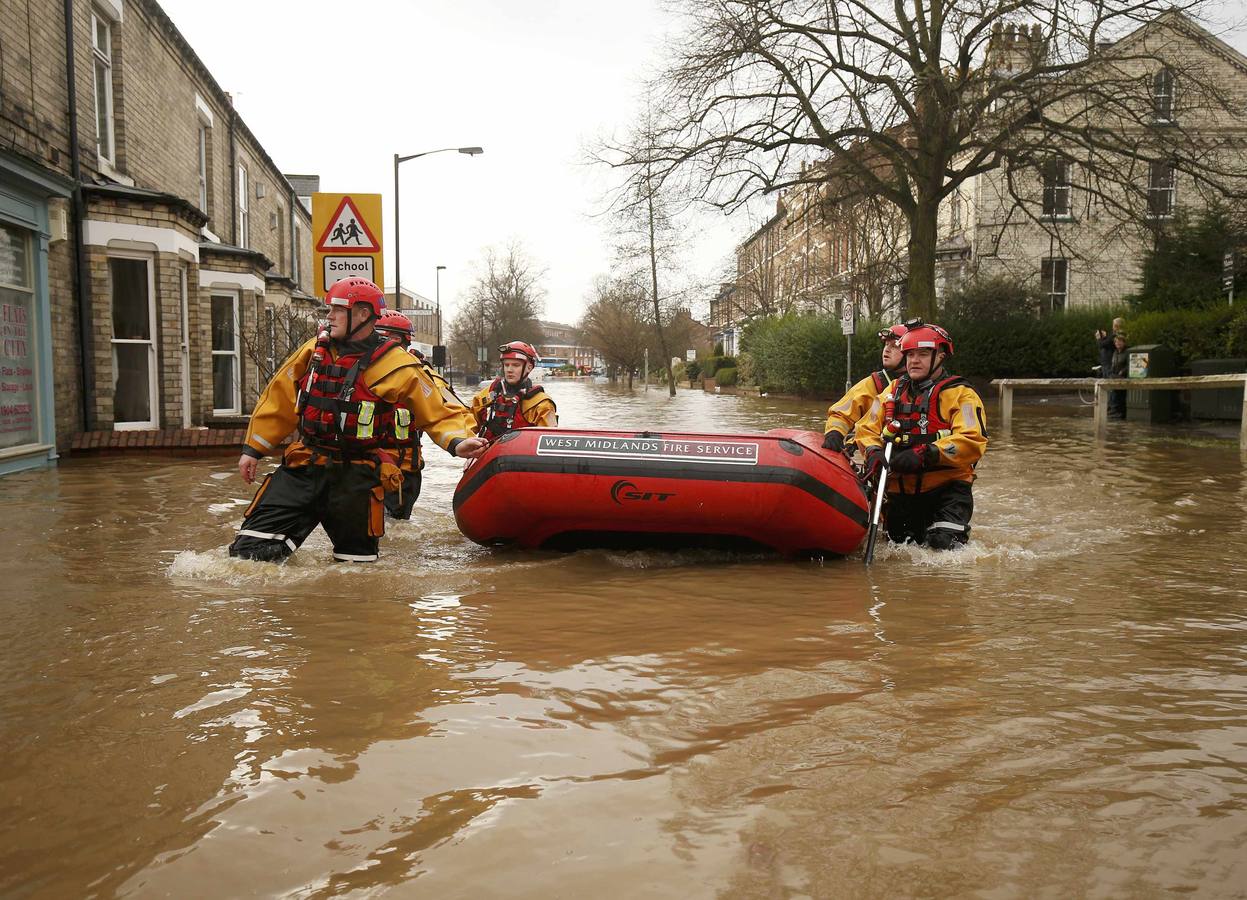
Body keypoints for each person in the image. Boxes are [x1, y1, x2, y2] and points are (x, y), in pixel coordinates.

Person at [229, 278, 487, 563]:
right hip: (304, 466)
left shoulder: (396, 364)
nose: (329, 316)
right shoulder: (315, 350)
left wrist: (459, 442)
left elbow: (439, 407)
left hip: (356, 478)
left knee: (355, 569)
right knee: (246, 558)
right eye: (329, 309)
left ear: (363, 314)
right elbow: (278, 398)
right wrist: (253, 450)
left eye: (338, 309)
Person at [856, 323, 988, 551]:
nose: (914, 360)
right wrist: (872, 451)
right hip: (900, 492)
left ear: (940, 356)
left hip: (946, 491)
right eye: (910, 354)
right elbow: (866, 428)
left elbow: (972, 439)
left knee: (943, 547)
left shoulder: (962, 395)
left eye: (923, 354)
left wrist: (928, 453)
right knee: (897, 550)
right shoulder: (892, 392)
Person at [372, 312, 443, 519]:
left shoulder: (420, 373)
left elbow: (444, 411)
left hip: (403, 467)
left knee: (395, 524)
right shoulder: (361, 370)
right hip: (367, 462)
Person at [821, 322, 910, 453]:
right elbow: (842, 413)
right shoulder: (874, 384)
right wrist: (835, 433)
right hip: (872, 453)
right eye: (886, 344)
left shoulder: (923, 386)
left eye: (894, 346)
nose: (886, 350)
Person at [471, 341, 558, 439]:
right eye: (506, 365)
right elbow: (468, 423)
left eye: (516, 365)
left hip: (520, 453)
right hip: (487, 452)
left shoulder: (541, 403)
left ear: (529, 367)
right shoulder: (487, 394)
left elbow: (547, 439)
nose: (509, 369)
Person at [1108, 332, 1129, 419]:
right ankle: (1114, 411)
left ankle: (1121, 413)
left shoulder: (1127, 352)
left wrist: (1122, 371)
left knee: (1120, 395)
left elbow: (1129, 365)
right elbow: (1113, 364)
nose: (1118, 343)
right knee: (1114, 394)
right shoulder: (1115, 352)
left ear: (1124, 342)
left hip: (1123, 377)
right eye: (1116, 342)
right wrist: (1111, 372)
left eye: (1120, 342)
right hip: (1114, 376)